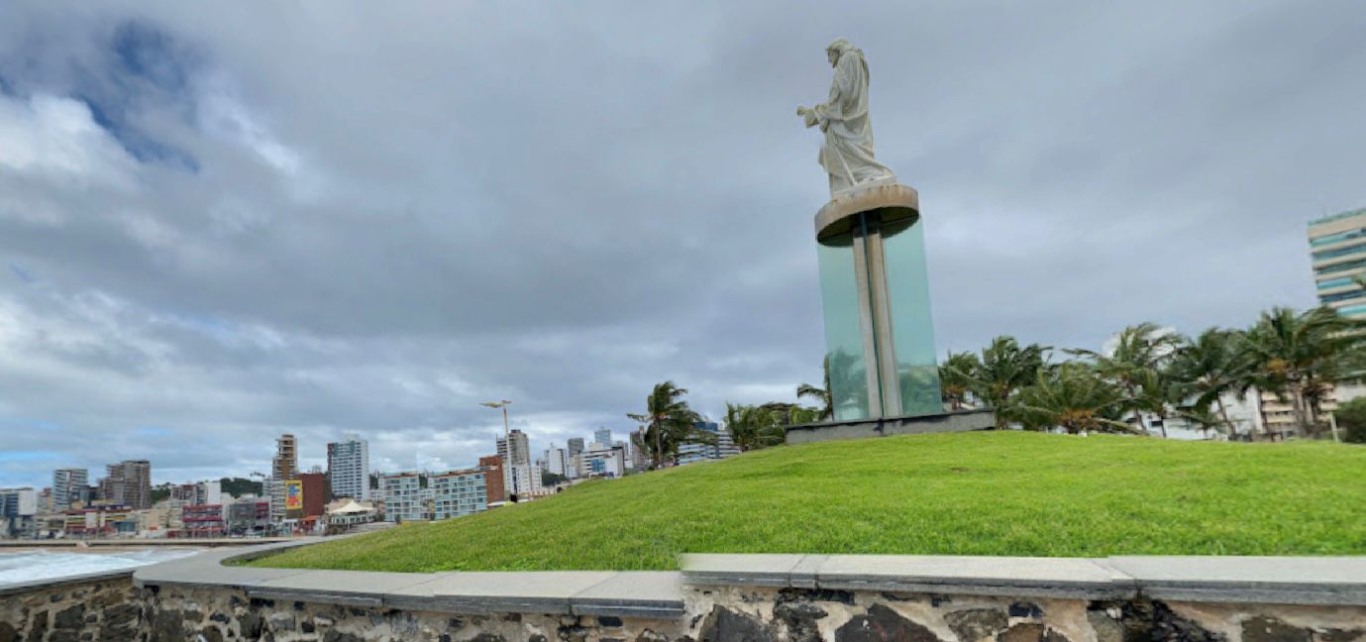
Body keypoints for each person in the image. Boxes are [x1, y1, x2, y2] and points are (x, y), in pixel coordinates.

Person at [797, 39, 896, 196]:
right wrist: (814, 112)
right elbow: (841, 96)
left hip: (846, 120)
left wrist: (820, 114)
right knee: (851, 155)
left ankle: (869, 177)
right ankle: (857, 181)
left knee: (852, 155)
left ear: (835, 50)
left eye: (829, 56)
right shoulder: (854, 59)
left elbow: (843, 93)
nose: (830, 62)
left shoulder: (848, 59)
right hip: (851, 116)